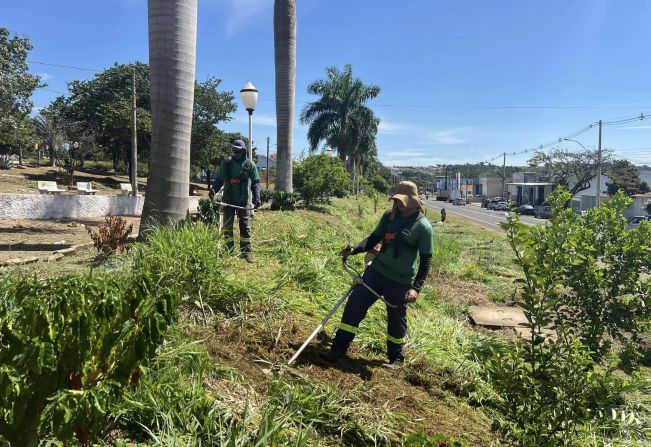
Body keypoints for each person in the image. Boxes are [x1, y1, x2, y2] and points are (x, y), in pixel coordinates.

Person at [324, 181, 434, 365]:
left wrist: (416, 288)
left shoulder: (423, 227)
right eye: (397, 201)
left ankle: (396, 357)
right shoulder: (389, 216)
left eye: (402, 202)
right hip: (376, 271)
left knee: (396, 318)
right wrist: (355, 250)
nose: (398, 205)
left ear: (413, 202)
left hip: (400, 280)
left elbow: (426, 261)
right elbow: (373, 238)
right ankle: (338, 349)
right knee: (354, 304)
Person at [210, 140, 261, 263]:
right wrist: (213, 190)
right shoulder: (227, 163)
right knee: (227, 226)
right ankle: (228, 251)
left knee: (245, 227)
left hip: (243, 200)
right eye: (234, 150)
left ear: (243, 150)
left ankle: (246, 253)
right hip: (228, 198)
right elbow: (219, 179)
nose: (236, 153)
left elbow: (255, 183)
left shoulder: (250, 165)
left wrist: (257, 197)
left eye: (238, 151)